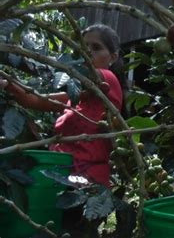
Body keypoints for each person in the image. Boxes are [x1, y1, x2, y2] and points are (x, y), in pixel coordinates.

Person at [0, 24, 124, 188]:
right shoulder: (77, 95)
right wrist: (8, 83)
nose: (87, 52)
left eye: (96, 47)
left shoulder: (108, 78)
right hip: (63, 175)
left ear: (113, 57)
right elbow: (36, 100)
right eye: (82, 46)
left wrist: (58, 63)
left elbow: (89, 75)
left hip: (86, 181)